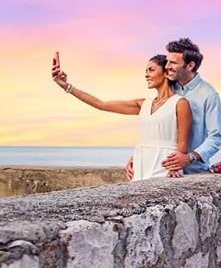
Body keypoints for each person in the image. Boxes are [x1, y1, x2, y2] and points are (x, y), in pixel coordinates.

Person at [52, 53, 192, 180]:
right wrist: (66, 86)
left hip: (165, 165)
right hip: (141, 165)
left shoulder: (180, 103)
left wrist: (176, 167)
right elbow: (101, 104)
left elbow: (183, 142)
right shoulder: (142, 104)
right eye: (145, 71)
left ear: (166, 72)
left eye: (151, 70)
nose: (146, 74)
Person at [125, 38, 221, 179]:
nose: (167, 66)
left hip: (192, 173)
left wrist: (190, 157)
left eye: (173, 62)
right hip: (161, 170)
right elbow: (158, 129)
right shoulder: (168, 88)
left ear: (190, 66)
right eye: (168, 61)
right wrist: (138, 157)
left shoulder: (209, 95)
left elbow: (215, 138)